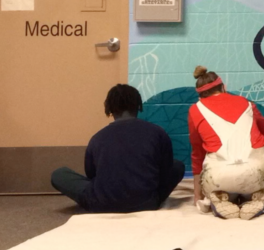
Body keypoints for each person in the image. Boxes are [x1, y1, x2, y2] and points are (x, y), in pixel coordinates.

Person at [50, 84, 185, 213]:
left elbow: (91, 174)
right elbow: (166, 169)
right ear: (138, 106)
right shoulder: (158, 133)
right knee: (178, 166)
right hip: (147, 202)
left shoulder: (97, 138)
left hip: (101, 204)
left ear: (109, 109)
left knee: (59, 174)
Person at [188, 66, 264, 220]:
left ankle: (220, 197)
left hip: (219, 177)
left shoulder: (194, 110)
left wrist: (197, 194)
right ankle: (257, 196)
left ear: (200, 96)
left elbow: (197, 154)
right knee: (262, 164)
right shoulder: (246, 103)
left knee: (217, 176)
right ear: (223, 87)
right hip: (258, 172)